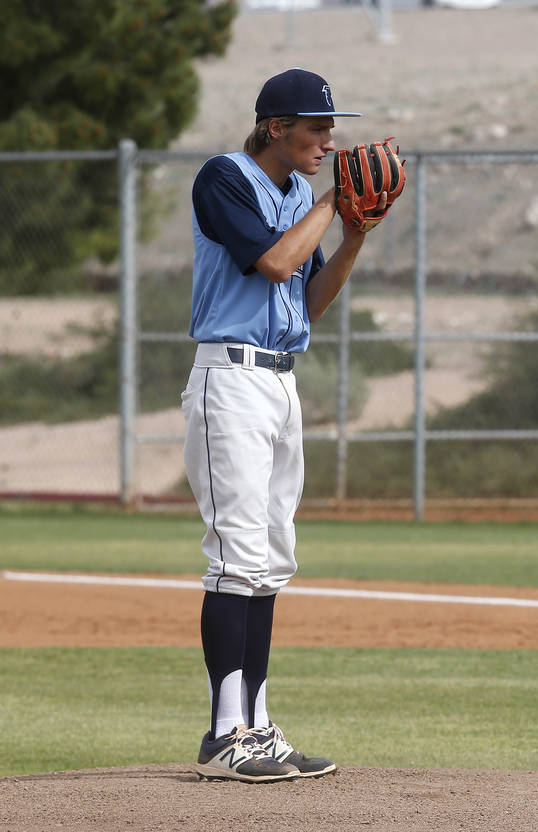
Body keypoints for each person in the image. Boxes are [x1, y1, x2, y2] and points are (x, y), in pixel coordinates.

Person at [181, 68, 388, 783]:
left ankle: (258, 728)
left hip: (279, 381)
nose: (329, 140)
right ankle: (222, 736)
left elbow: (310, 298)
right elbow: (272, 263)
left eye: (331, 127)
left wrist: (353, 233)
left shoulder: (302, 196)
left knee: (270, 561)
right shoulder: (225, 178)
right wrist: (335, 202)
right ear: (276, 127)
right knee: (236, 556)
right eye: (316, 127)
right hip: (229, 378)